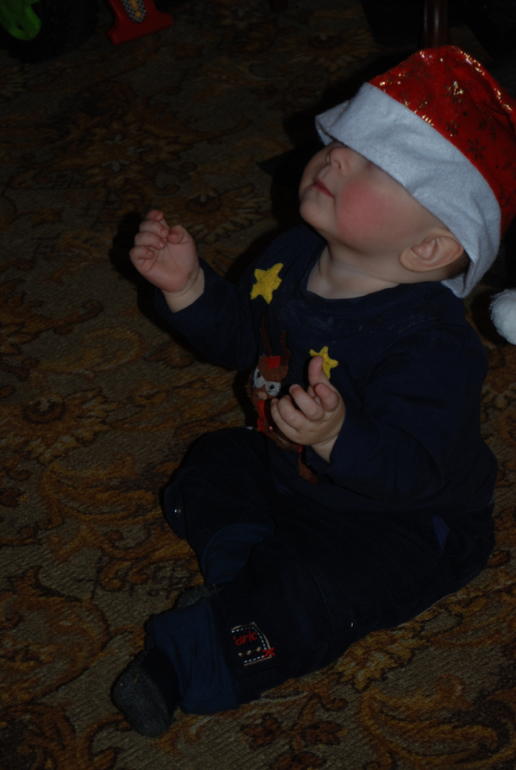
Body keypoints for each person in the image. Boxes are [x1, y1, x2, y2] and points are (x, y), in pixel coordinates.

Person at [112, 46, 516, 737]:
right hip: (292, 471)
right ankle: (242, 572)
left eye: (371, 165)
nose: (336, 160)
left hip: (403, 520)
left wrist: (337, 436)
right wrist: (190, 287)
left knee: (316, 597)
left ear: (427, 248)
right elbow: (246, 341)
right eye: (342, 144)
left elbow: (418, 467)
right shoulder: (293, 254)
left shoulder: (433, 345)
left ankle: (189, 661)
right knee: (216, 460)